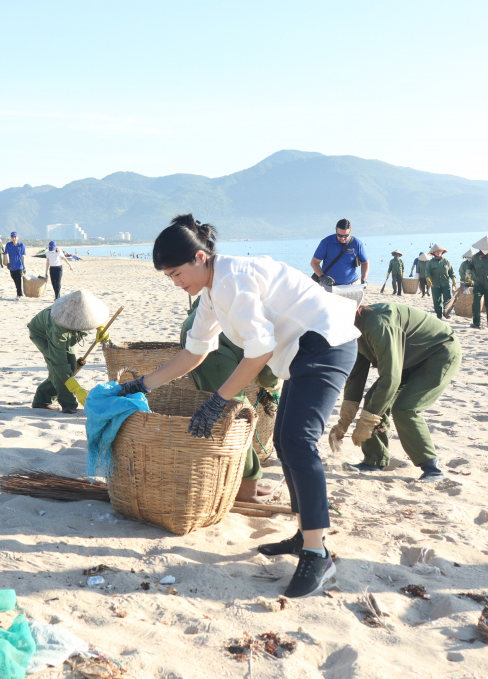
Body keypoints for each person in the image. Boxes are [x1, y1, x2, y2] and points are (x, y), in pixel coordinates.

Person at [117, 214, 359, 598]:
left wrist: (218, 400)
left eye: (178, 273)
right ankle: (305, 536)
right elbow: (194, 352)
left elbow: (259, 350)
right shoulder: (212, 291)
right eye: (170, 278)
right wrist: (140, 384)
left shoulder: (233, 279)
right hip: (302, 352)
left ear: (200, 257)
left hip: (327, 343)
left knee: (299, 442)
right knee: (284, 441)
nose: (178, 284)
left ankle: (318, 554)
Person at [330, 303, 461, 482]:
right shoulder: (353, 329)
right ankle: (374, 461)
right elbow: (356, 377)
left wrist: (367, 422)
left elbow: (391, 378)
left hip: (439, 354)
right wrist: (343, 422)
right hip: (408, 360)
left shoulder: (378, 325)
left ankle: (432, 468)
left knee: (405, 408)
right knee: (373, 399)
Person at [179, 296, 281, 503]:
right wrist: (274, 388)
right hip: (212, 347)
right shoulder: (277, 320)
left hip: (197, 330)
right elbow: (268, 369)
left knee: (232, 417)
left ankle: (244, 482)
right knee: (237, 418)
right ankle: (246, 490)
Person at [28, 289, 108, 414]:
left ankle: (42, 399)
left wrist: (101, 327)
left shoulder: (85, 310)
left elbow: (94, 315)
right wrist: (76, 389)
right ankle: (67, 404)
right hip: (43, 336)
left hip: (67, 334)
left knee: (70, 367)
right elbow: (59, 363)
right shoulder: (58, 328)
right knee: (62, 369)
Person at [310, 218, 369, 287]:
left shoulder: (357, 244)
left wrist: (364, 278)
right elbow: (314, 262)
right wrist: (322, 277)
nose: (342, 238)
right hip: (329, 285)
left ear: (350, 231)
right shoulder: (326, 243)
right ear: (336, 230)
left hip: (352, 284)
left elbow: (365, 263)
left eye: (346, 236)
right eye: (339, 235)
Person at [425, 244, 457, 319]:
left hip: (445, 284)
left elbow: (451, 272)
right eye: (437, 251)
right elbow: (427, 272)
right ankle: (439, 315)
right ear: (433, 253)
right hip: (435, 284)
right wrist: (428, 279)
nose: (439, 252)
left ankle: (446, 313)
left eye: (440, 251)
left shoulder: (446, 261)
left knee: (447, 299)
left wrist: (454, 281)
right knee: (437, 301)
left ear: (442, 252)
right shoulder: (430, 263)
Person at [4, 232, 26, 299]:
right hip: (12, 266)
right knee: (15, 279)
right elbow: (6, 254)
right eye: (12, 237)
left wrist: (24, 266)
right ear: (11, 238)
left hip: (19, 265)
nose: (14, 238)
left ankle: (19, 294)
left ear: (18, 237)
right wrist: (8, 263)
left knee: (18, 279)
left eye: (15, 237)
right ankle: (19, 293)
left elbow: (23, 256)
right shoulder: (8, 245)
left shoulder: (21, 245)